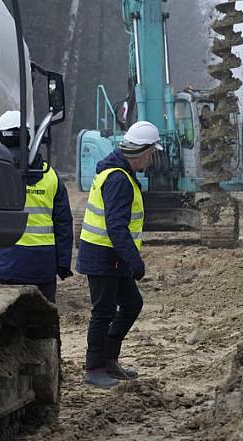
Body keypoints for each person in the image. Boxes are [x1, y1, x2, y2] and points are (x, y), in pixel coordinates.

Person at [77, 121, 161, 389]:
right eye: (152, 153)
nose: (152, 159)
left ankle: (109, 359)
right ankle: (94, 369)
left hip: (111, 256)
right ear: (145, 152)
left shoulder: (120, 173)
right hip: (104, 256)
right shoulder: (118, 179)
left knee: (131, 303)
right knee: (103, 312)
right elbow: (116, 227)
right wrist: (134, 261)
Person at [0, 111, 73, 303]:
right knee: (43, 322)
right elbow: (63, 223)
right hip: (41, 265)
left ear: (1, 137)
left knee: (7, 322)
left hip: (3, 262)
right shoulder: (51, 176)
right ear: (29, 137)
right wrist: (63, 264)